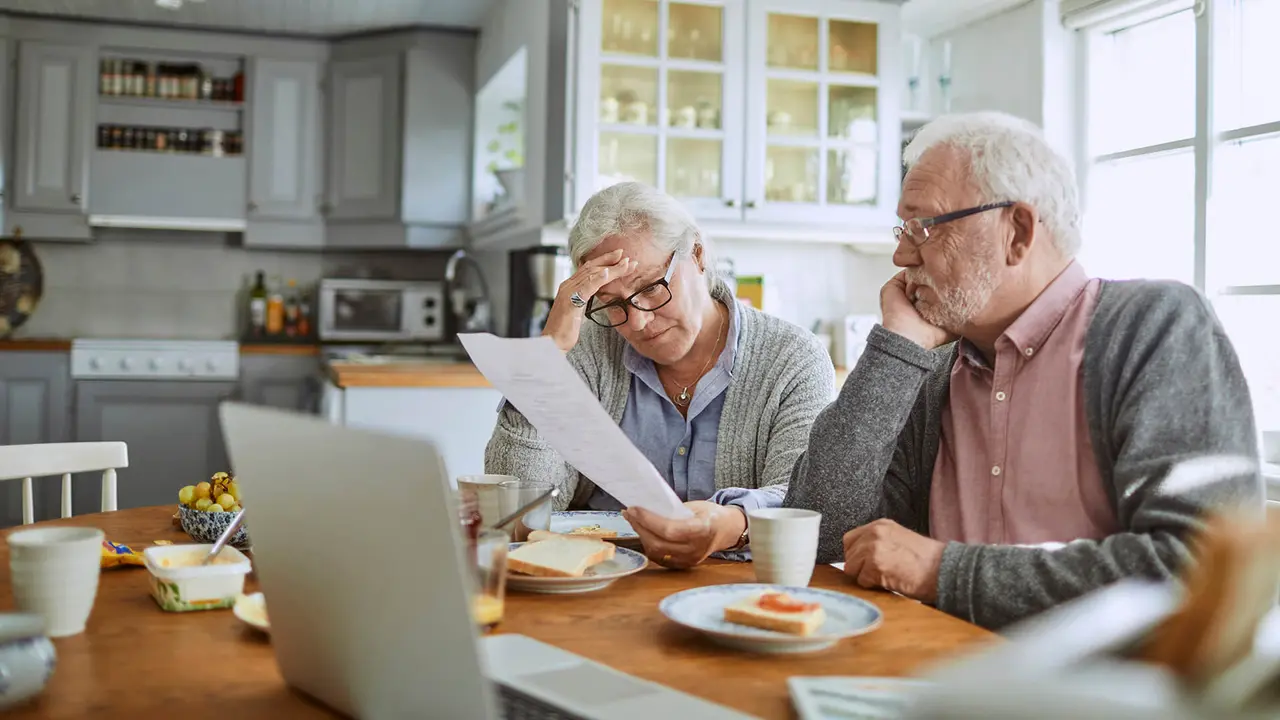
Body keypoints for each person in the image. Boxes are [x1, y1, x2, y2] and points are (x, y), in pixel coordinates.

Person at [783, 111, 1263, 630]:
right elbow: (821, 530)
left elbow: (1197, 571)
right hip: (940, 679)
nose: (901, 255)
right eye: (903, 227)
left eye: (924, 227)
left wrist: (943, 572)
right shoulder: (931, 369)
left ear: (1017, 232)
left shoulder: (1154, 328)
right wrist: (895, 351)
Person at [485, 182, 834, 569]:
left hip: (736, 590)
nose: (638, 322)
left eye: (651, 288)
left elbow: (806, 505)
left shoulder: (793, 359)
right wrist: (543, 359)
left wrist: (732, 523)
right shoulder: (585, 350)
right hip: (595, 583)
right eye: (612, 304)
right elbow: (517, 516)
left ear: (697, 255)